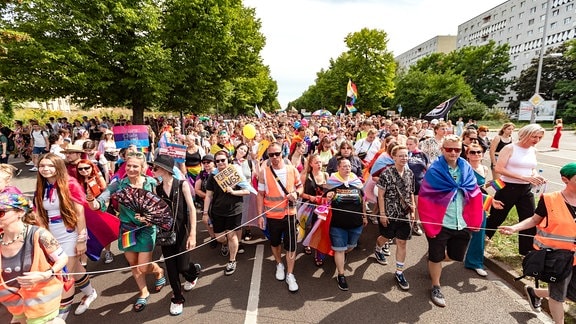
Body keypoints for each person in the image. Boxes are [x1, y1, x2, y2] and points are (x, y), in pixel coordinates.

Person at [499, 162, 576, 324]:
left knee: (571, 293)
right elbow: (534, 220)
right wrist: (514, 227)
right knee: (558, 296)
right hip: (559, 258)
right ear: (565, 180)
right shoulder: (550, 200)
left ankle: (534, 292)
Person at [87, 151, 165, 312]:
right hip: (127, 230)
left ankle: (159, 271)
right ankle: (143, 292)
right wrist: (91, 200)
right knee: (133, 263)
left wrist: (150, 218)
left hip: (146, 229)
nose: (131, 168)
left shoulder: (151, 183)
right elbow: (99, 203)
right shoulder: (118, 184)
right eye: (128, 165)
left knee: (143, 266)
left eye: (135, 166)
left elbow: (160, 207)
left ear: (143, 167)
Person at [417, 135, 483, 307]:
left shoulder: (466, 167)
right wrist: (424, 220)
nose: (453, 152)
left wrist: (489, 202)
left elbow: (474, 190)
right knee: (437, 257)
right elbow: (426, 196)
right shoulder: (435, 170)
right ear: (442, 149)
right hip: (440, 222)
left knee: (455, 256)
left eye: (457, 149)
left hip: (461, 222)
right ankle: (436, 286)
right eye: (449, 149)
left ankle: (433, 260)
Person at [35, 153, 98, 319]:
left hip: (70, 234)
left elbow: (80, 213)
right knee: (75, 268)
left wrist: (81, 240)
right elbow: (40, 214)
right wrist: (43, 238)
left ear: (58, 167)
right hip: (50, 236)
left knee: (65, 276)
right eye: (42, 166)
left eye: (50, 165)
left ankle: (60, 317)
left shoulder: (70, 184)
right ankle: (90, 293)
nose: (46, 169)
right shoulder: (41, 186)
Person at [0, 193, 68, 324]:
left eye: (1, 212)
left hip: (41, 303)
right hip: (15, 306)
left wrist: (46, 274)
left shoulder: (40, 235)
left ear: (19, 212)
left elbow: (63, 259)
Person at [151, 155, 201, 316]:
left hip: (181, 231)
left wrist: (193, 233)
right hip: (165, 233)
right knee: (171, 268)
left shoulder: (182, 185)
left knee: (183, 266)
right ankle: (177, 298)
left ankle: (193, 273)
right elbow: (157, 213)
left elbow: (192, 209)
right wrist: (146, 218)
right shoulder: (156, 189)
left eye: (155, 168)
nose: (153, 170)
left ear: (165, 169)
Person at [485, 124, 546, 256]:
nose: (536, 140)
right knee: (496, 217)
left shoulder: (533, 150)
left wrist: (536, 176)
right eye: (534, 136)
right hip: (508, 187)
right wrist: (523, 177)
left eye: (539, 137)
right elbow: (499, 169)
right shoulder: (510, 148)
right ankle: (481, 242)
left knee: (529, 218)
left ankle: (526, 252)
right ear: (525, 134)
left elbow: (532, 168)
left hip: (526, 189)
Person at [257, 142, 303, 293]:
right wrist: (260, 215)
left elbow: (300, 186)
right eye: (271, 155)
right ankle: (279, 264)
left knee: (291, 245)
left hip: (290, 214)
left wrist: (296, 193)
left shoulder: (292, 170)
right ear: (268, 156)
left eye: (277, 154)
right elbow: (260, 195)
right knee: (275, 242)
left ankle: (290, 274)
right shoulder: (264, 172)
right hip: (272, 215)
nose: (275, 157)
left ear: (282, 153)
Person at [203, 150, 250, 276]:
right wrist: (205, 213)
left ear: (228, 160)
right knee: (220, 238)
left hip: (234, 210)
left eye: (222, 160)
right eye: (217, 161)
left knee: (232, 235)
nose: (220, 163)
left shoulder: (236, 173)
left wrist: (234, 192)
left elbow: (247, 191)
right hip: (217, 211)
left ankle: (232, 260)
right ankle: (224, 244)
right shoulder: (213, 175)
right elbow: (208, 195)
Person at [324, 157, 367, 291]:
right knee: (339, 249)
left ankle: (342, 254)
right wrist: (328, 196)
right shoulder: (332, 182)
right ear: (338, 168)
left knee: (350, 246)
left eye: (349, 166)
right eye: (344, 166)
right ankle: (341, 275)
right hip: (338, 224)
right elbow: (324, 200)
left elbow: (362, 200)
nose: (347, 168)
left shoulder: (357, 182)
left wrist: (364, 215)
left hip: (356, 223)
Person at [376, 145, 415, 290]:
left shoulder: (410, 173)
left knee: (402, 242)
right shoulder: (386, 174)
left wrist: (412, 210)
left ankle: (399, 272)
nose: (404, 158)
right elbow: (380, 195)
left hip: (404, 214)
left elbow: (411, 191)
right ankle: (378, 247)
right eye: (401, 156)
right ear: (394, 157)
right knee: (386, 237)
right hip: (389, 213)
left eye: (406, 155)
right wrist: (382, 214)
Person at [463, 144, 503, 277]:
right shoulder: (464, 168)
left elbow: (482, 185)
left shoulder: (485, 168)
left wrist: (491, 185)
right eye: (472, 152)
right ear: (467, 154)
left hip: (480, 202)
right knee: (458, 231)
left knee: (479, 232)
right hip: (464, 202)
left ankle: (474, 262)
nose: (476, 155)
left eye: (479, 152)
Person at [75, 159, 113, 264]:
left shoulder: (98, 179)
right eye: (80, 169)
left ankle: (108, 251)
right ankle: (84, 259)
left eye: (86, 168)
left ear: (92, 168)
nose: (83, 170)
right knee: (86, 234)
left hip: (99, 209)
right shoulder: (77, 181)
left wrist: (103, 206)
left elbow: (106, 193)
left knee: (103, 232)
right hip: (83, 211)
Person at [300, 154, 328, 266]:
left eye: (320, 162)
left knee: (319, 230)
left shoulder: (326, 175)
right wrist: (310, 197)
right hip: (309, 205)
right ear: (311, 164)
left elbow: (330, 191)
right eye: (316, 162)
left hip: (322, 208)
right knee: (307, 226)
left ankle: (318, 254)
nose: (319, 164)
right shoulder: (305, 176)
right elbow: (299, 193)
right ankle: (307, 243)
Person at [405, 136, 428, 236]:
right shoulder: (404, 154)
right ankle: (405, 223)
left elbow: (427, 168)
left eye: (411, 144)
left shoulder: (422, 154)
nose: (408, 146)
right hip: (405, 182)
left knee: (417, 205)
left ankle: (415, 223)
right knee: (407, 204)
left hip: (418, 182)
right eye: (407, 144)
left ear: (416, 144)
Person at [195, 154, 217, 248]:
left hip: (219, 202)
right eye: (204, 163)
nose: (206, 164)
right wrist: (207, 196)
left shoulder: (218, 173)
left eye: (208, 162)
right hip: (207, 202)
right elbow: (197, 189)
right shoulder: (201, 175)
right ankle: (213, 237)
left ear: (214, 163)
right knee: (207, 221)